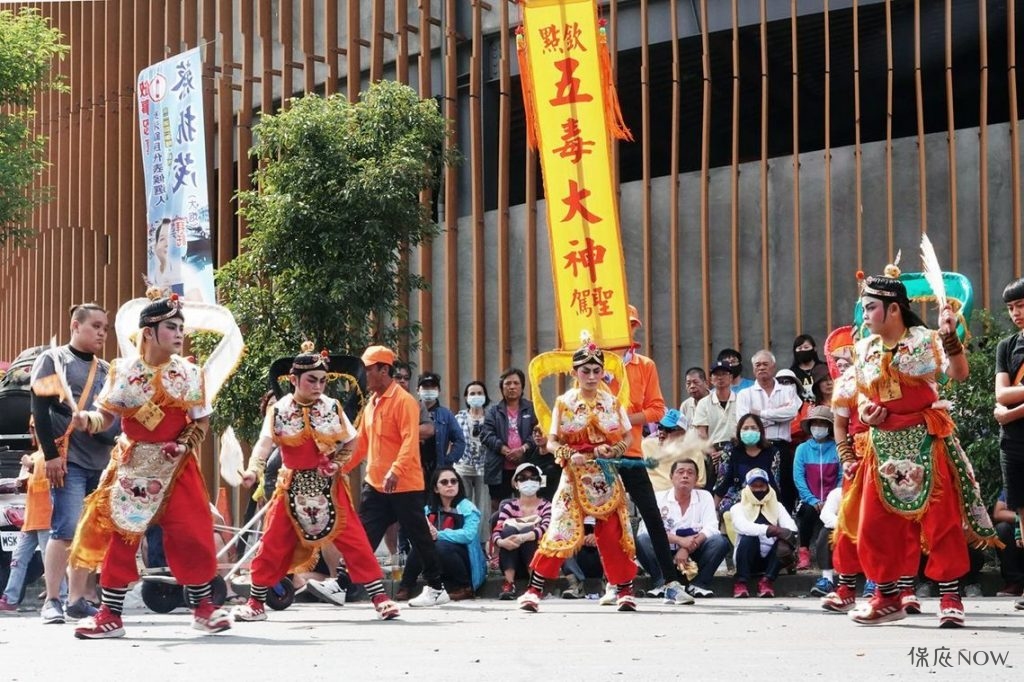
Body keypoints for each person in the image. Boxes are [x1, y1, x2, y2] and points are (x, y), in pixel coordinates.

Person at [67, 291, 232, 638]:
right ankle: (110, 615)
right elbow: (107, 417)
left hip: (177, 467)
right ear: (148, 332)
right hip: (132, 468)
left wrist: (184, 444)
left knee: (194, 533)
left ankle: (204, 609)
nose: (179, 333)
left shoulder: (189, 373)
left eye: (180, 327)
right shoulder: (123, 371)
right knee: (123, 538)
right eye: (170, 327)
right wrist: (87, 421)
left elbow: (200, 422)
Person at [845, 262, 999, 628]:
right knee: (873, 524)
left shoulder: (926, 340)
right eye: (864, 308)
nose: (865, 315)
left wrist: (950, 336)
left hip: (925, 440)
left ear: (893, 309)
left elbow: (958, 373)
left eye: (870, 308)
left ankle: (949, 597)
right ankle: (887, 596)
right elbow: (860, 398)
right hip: (881, 446)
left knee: (940, 520)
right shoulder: (863, 348)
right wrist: (867, 413)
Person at [232, 344, 401, 622]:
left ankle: (380, 598)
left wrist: (337, 463)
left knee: (355, 540)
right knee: (272, 542)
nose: (319, 386)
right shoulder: (279, 410)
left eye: (323, 380)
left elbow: (351, 440)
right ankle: (256, 604)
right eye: (312, 379)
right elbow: (264, 444)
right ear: (293, 380)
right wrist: (254, 470)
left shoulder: (332, 407)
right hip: (290, 487)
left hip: (329, 487)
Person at [518, 336, 639, 613]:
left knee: (613, 533)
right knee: (561, 529)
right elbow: (551, 442)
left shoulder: (611, 402)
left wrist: (615, 449)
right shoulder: (564, 402)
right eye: (586, 370)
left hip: (605, 476)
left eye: (597, 370)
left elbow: (628, 437)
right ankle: (534, 590)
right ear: (575, 373)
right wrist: (569, 454)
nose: (592, 376)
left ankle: (624, 590)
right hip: (573, 476)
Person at [29, 303, 117, 625]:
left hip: (101, 461)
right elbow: (39, 409)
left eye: (105, 328)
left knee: (91, 531)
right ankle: (52, 599)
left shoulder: (108, 370)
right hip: (69, 460)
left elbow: (114, 418)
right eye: (95, 326)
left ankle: (79, 599)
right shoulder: (54, 360)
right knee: (64, 529)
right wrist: (50, 454)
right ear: (75, 326)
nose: (101, 333)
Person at [345, 345, 450, 607]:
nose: (364, 374)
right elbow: (361, 444)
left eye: (368, 369)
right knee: (364, 534)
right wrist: (340, 467)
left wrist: (396, 470)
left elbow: (409, 440)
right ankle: (344, 583)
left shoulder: (405, 401)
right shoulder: (371, 404)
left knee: (418, 535)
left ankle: (437, 587)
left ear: (384, 370)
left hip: (404, 483)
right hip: (376, 483)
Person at [604, 305, 683, 606]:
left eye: (631, 325)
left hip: (633, 450)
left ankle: (672, 581)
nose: (627, 330)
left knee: (650, 513)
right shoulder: (597, 363)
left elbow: (657, 410)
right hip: (602, 454)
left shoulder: (644, 365)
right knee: (607, 519)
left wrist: (623, 418)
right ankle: (616, 582)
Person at [637, 459, 730, 600]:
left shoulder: (705, 497)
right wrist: (679, 540)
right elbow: (647, 528)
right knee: (642, 539)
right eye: (680, 472)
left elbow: (711, 527)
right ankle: (662, 583)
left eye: (690, 473)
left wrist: (686, 548)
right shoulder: (658, 498)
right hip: (664, 552)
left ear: (696, 479)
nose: (685, 476)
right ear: (671, 477)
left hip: (694, 554)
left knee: (720, 541)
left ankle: (699, 584)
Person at [396, 467, 487, 602]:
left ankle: (465, 587)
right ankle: (406, 586)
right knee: (420, 544)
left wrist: (438, 535)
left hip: (464, 559)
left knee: (440, 545)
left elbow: (468, 535)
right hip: (439, 560)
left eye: (454, 481)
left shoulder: (468, 507)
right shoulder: (428, 509)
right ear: (436, 488)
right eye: (444, 482)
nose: (450, 485)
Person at [0, 425, 64, 613]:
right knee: (17, 559)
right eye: (33, 430)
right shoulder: (35, 456)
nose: (34, 433)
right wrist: (21, 482)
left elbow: (58, 478)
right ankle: (10, 598)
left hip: (46, 517)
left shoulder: (55, 455)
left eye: (37, 429)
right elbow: (25, 485)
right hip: (31, 517)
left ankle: (62, 597)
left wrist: (31, 465)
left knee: (50, 561)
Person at [736, 351, 801, 510]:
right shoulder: (745, 394)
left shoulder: (788, 390)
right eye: (758, 365)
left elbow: (792, 413)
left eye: (765, 364)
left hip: (782, 447)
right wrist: (778, 415)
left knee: (784, 492)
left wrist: (760, 414)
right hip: (756, 448)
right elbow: (744, 422)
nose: (762, 368)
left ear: (773, 367)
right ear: (753, 369)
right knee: (757, 490)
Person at [994, 276, 1024, 607]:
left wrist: (1012, 412)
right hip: (1012, 443)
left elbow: (1007, 403)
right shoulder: (1007, 346)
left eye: (1021, 305)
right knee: (1021, 511)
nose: (1016, 312)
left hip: (1012, 424)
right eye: (1011, 307)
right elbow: (1001, 393)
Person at [481, 368, 546, 510]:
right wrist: (505, 450)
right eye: (507, 383)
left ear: (522, 387)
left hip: (526, 464)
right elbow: (486, 434)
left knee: (527, 506)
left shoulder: (532, 408)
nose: (512, 387)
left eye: (516, 383)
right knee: (498, 507)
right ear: (501, 388)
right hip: (499, 468)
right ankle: (497, 532)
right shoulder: (493, 411)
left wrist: (523, 449)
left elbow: (539, 431)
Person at [730, 468, 798, 598]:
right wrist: (771, 529)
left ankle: (766, 582)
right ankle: (741, 583)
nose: (758, 489)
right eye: (754, 486)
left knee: (785, 541)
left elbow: (792, 528)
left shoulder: (777, 506)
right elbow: (743, 526)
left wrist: (781, 534)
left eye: (762, 486)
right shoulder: (738, 507)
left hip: (771, 559)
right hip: (747, 558)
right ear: (747, 488)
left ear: (768, 486)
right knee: (749, 537)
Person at [491, 462, 552, 600]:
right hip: (511, 559)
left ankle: (535, 585)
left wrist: (524, 536)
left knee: (527, 530)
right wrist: (501, 542)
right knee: (508, 531)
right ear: (516, 484)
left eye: (533, 478)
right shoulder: (509, 506)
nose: (528, 481)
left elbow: (546, 527)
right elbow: (497, 529)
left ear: (539, 482)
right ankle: (509, 583)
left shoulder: (546, 506)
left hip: (536, 561)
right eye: (523, 478)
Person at [792, 406, 840, 571]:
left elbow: (841, 478)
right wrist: (812, 499)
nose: (818, 427)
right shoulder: (802, 449)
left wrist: (829, 500)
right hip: (808, 499)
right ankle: (803, 551)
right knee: (807, 511)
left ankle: (838, 554)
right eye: (815, 423)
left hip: (832, 499)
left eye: (823, 423)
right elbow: (799, 477)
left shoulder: (837, 448)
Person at [713, 413, 782, 514]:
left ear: (760, 431)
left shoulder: (772, 452)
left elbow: (774, 484)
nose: (749, 431)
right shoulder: (730, 450)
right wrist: (714, 511)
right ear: (739, 431)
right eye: (745, 428)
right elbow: (723, 482)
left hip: (763, 496)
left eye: (753, 428)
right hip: (737, 496)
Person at [642, 409, 713, 493]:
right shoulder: (646, 445)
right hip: (652, 498)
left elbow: (699, 485)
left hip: (681, 498)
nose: (662, 432)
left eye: (668, 430)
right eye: (660, 427)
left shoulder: (694, 452)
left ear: (682, 433)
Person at [416, 372, 466, 478]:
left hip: (437, 468)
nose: (429, 390)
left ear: (439, 390)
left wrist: (448, 461)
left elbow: (459, 440)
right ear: (418, 390)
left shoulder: (446, 414)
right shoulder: (410, 410)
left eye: (433, 387)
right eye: (425, 387)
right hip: (414, 468)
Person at [453, 380, 490, 522]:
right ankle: (464, 538)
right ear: (466, 398)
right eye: (472, 393)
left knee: (483, 507)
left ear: (485, 396)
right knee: (463, 505)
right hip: (463, 467)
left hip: (484, 467)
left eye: (480, 393)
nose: (476, 396)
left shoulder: (490, 418)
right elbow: (453, 442)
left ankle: (481, 541)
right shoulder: (459, 418)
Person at [693, 360, 739, 471]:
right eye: (716, 374)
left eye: (724, 374)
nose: (720, 377)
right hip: (712, 451)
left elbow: (743, 430)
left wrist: (727, 453)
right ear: (711, 379)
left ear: (731, 377)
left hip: (736, 449)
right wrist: (714, 454)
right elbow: (702, 434)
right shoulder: (703, 403)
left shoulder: (740, 400)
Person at [810, 483, 844, 597]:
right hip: (843, 531)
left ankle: (872, 581)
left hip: (863, 533)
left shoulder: (869, 493)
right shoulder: (837, 493)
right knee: (826, 532)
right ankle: (827, 580)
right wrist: (847, 526)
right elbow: (825, 515)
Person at [992, 491, 1024, 597]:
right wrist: (1020, 518)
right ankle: (1016, 583)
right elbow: (998, 512)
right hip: (1019, 533)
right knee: (1002, 529)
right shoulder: (1017, 483)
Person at [790, 334, 828, 402]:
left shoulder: (825, 368)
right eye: (799, 348)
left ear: (814, 349)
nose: (803, 350)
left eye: (806, 347)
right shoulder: (792, 373)